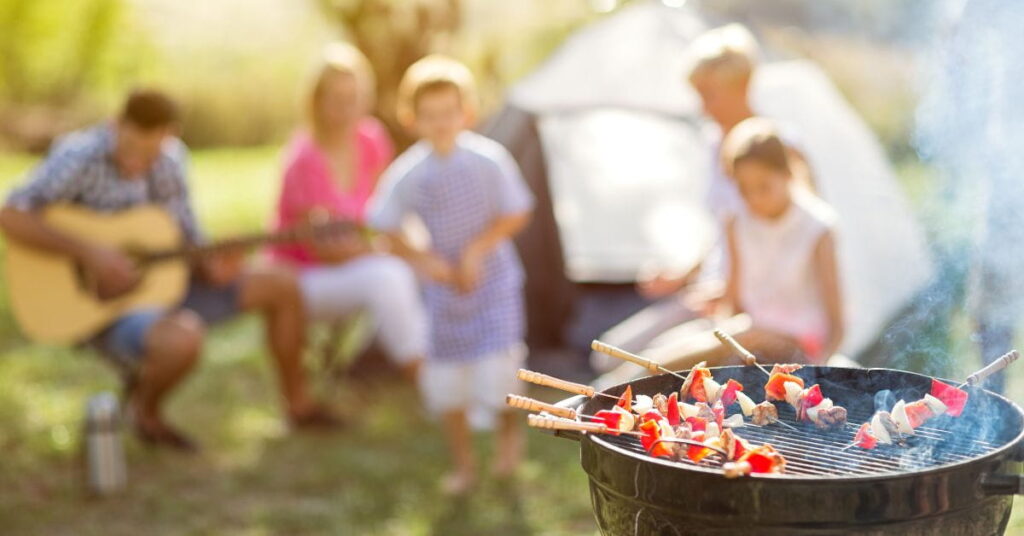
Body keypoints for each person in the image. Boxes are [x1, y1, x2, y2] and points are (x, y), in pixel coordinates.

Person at [0, 89, 337, 451]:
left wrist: (215, 266)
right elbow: (11, 215)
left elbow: (188, 242)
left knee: (283, 284)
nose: (136, 165)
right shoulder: (80, 156)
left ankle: (299, 406)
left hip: (169, 285)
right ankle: (145, 413)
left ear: (170, 135)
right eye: (130, 150)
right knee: (184, 338)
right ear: (117, 125)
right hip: (105, 305)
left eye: (149, 154)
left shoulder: (172, 162)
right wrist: (90, 253)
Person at [590, 24, 814, 375]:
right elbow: (722, 230)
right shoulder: (715, 144)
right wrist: (684, 275)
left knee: (631, 373)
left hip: (748, 304)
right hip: (709, 288)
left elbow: (805, 237)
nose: (703, 107)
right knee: (605, 353)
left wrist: (735, 293)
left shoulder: (780, 148)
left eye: (710, 94)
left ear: (741, 87)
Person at [368, 55, 534, 495]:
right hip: (444, 293)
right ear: (412, 119)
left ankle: (507, 437)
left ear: (468, 113)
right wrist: (424, 260)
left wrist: (477, 249)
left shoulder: (488, 160)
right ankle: (463, 465)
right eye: (430, 115)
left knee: (498, 376)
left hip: (494, 285)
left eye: (449, 113)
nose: (441, 123)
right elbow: (382, 226)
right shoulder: (410, 173)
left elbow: (517, 210)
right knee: (447, 386)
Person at [597, 118, 843, 385]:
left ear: (786, 174)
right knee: (676, 346)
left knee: (731, 337)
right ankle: (621, 380)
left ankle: (617, 385)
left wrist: (821, 367)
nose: (755, 199)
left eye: (763, 187)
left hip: (798, 341)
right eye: (745, 190)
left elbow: (837, 321)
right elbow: (735, 306)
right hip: (745, 334)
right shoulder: (737, 221)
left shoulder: (818, 227)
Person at [271, 42, 427, 378]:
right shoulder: (304, 158)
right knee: (389, 275)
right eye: (337, 100)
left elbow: (391, 209)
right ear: (317, 102)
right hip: (304, 277)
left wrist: (414, 248)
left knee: (426, 259)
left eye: (353, 98)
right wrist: (384, 248)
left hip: (358, 260)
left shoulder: (370, 139)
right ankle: (425, 375)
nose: (346, 109)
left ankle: (454, 357)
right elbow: (326, 248)